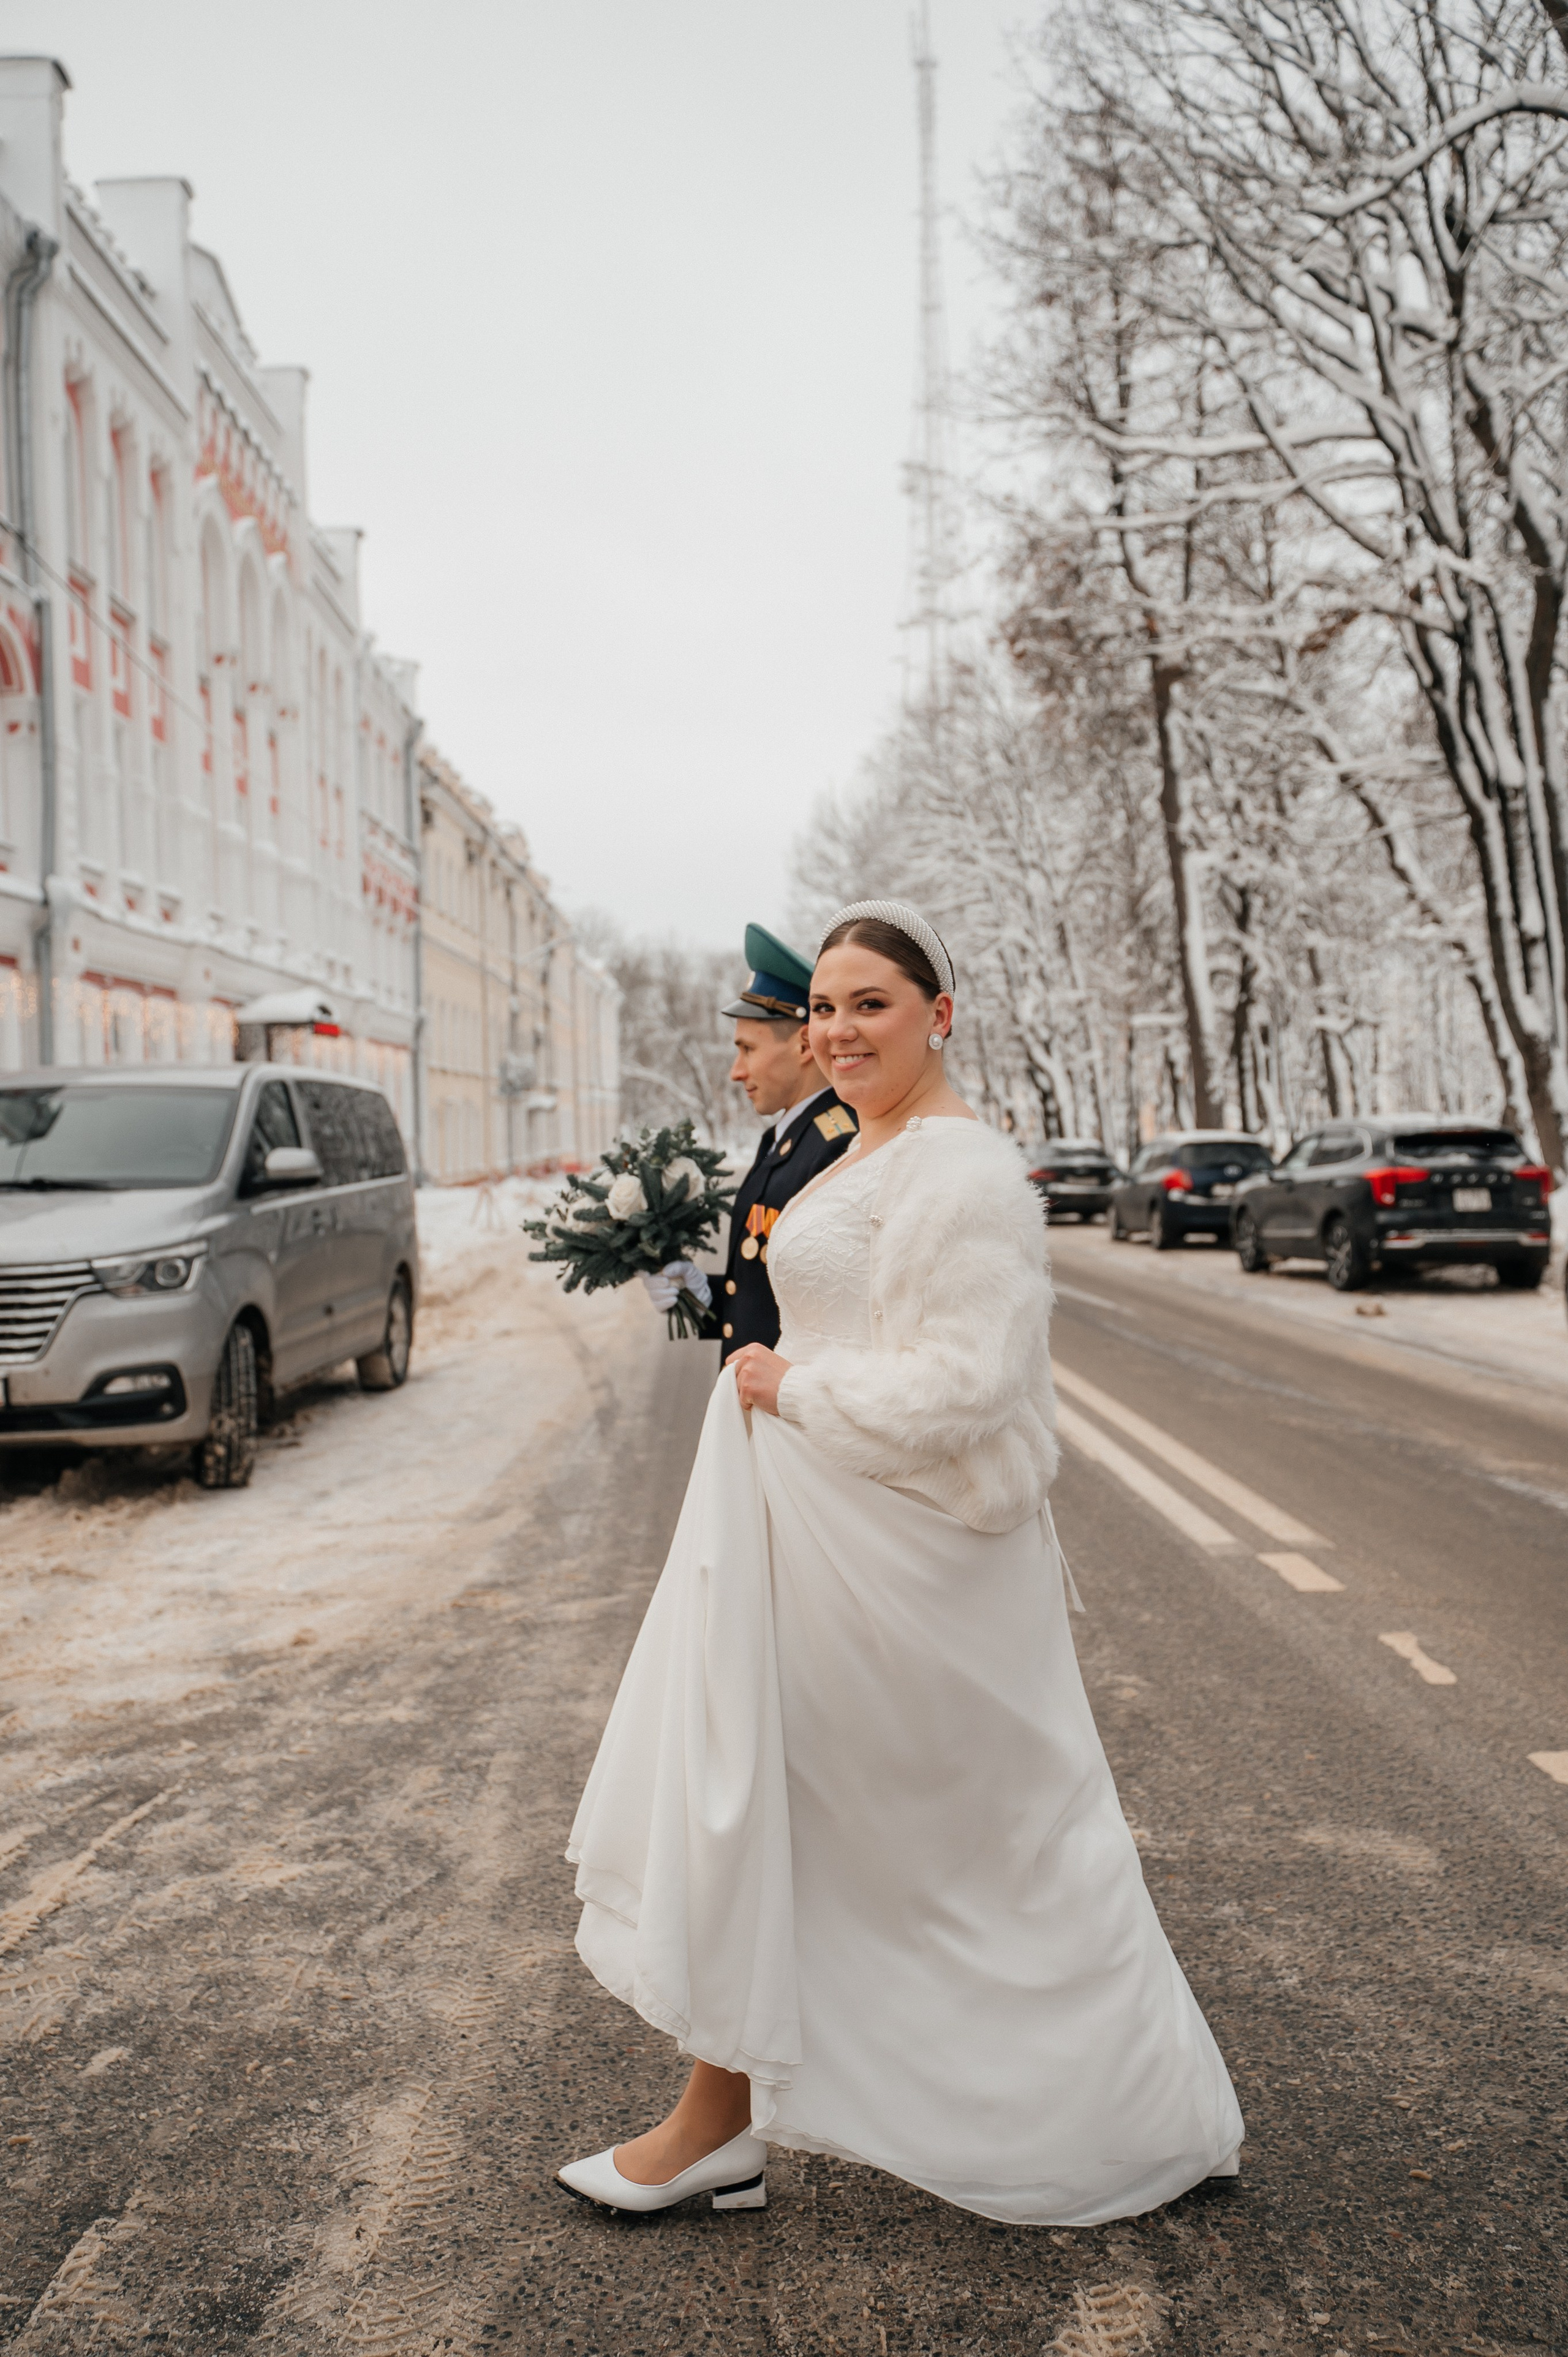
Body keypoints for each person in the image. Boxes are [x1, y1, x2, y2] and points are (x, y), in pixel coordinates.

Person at [560, 898, 1243, 2225]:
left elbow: (969, 1384)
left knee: (962, 1848)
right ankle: (718, 2121)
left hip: (904, 1554)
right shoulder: (859, 1146)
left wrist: (790, 1386)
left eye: (867, 1002)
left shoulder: (957, 1167)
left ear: (939, 1013)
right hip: (821, 1538)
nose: (835, 1028)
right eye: (821, 1006)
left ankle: (1119, 2108)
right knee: (780, 1810)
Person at [641, 923, 858, 1360]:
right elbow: (767, 1297)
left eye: (748, 1050)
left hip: (789, 1417)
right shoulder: (786, 1139)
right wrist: (700, 1297)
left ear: (802, 1044)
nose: (736, 1072)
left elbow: (835, 1324)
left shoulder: (838, 1148)